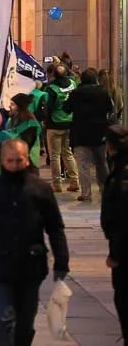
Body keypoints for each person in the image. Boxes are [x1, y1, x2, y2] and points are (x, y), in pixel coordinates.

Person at [0, 140, 70, 346]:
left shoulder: (40, 189)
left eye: (19, 160)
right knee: (5, 317)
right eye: (9, 161)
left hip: (30, 265)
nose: (14, 165)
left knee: (25, 323)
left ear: (27, 160)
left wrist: (62, 260)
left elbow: (55, 227)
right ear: (2, 161)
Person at [64, 69, 113, 202]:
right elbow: (110, 109)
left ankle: (86, 193)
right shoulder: (103, 92)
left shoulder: (76, 93)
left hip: (80, 133)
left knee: (83, 165)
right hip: (100, 133)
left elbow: (66, 108)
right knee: (101, 163)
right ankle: (105, 190)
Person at [101, 124, 128, 342]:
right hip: (120, 245)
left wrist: (116, 253)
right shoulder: (118, 171)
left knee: (124, 297)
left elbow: (123, 219)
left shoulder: (122, 176)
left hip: (124, 250)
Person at [44, 65, 80, 193]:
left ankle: (57, 185)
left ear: (54, 74)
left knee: (54, 156)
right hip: (69, 122)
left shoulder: (51, 89)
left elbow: (48, 108)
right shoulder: (73, 84)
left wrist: (46, 121)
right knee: (68, 153)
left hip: (54, 125)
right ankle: (75, 181)